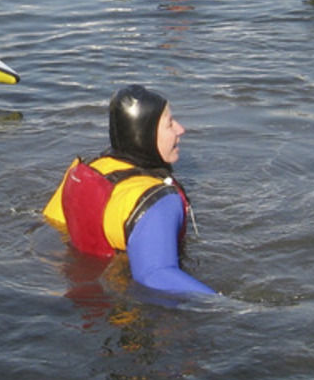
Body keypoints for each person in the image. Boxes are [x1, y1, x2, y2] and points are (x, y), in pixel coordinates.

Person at [43, 84, 214, 296]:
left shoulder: (84, 171)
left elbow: (52, 224)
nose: (181, 129)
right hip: (129, 308)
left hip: (82, 296)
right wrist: (232, 310)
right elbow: (155, 276)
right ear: (145, 134)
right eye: (170, 123)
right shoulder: (158, 201)